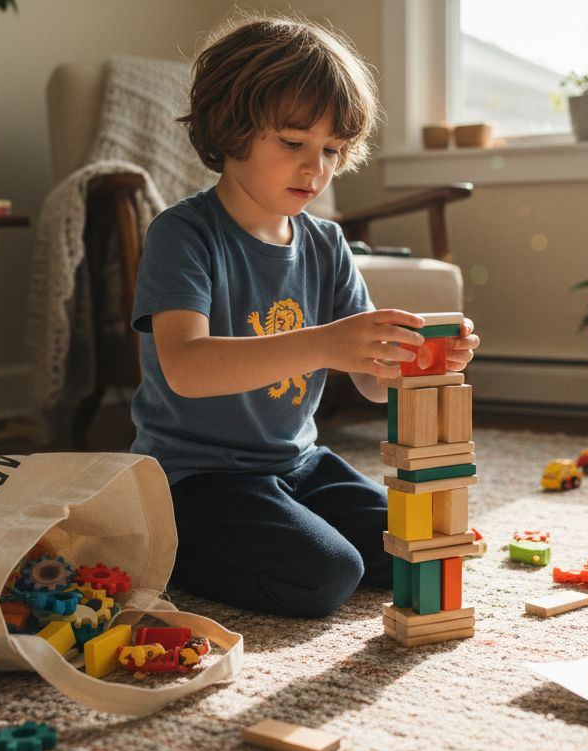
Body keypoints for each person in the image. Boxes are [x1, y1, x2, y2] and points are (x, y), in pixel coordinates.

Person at [130, 15, 479, 618]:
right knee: (328, 573)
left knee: (416, 548)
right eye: (293, 143)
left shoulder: (326, 244)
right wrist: (324, 344)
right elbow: (186, 367)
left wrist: (419, 358)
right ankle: (166, 547)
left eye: (332, 151)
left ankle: (277, 524)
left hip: (300, 462)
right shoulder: (183, 234)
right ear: (230, 128)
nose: (315, 168)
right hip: (196, 479)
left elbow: (371, 381)